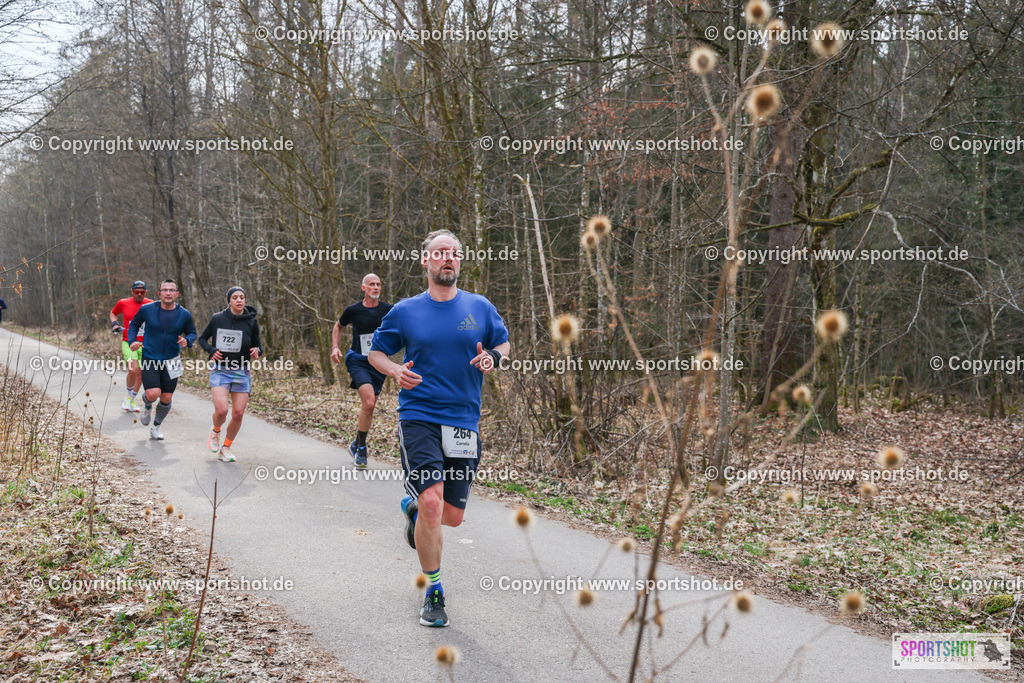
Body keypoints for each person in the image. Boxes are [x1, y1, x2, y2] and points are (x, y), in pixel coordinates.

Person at [369, 229, 510, 628]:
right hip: (419, 417)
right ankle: (433, 590)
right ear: (426, 261)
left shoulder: (479, 307)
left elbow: (503, 345)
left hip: (464, 419)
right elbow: (377, 352)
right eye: (440, 253)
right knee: (433, 503)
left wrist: (493, 361)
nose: (448, 259)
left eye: (454, 254)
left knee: (449, 517)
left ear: (460, 262)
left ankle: (412, 509)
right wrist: (395, 369)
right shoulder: (405, 311)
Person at [331, 273, 393, 468]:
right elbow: (338, 326)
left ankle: (356, 443)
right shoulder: (353, 310)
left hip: (379, 362)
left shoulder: (389, 310)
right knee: (368, 402)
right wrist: (335, 347)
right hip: (357, 359)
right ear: (363, 288)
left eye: (378, 284)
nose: (376, 287)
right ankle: (363, 449)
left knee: (371, 406)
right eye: (372, 284)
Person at [126, 279, 197, 440]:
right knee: (153, 393)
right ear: (159, 293)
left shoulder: (184, 314)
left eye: (172, 290)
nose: (168, 293)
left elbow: (192, 332)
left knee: (166, 397)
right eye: (165, 290)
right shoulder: (147, 309)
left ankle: (156, 427)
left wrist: (188, 341)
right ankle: (147, 405)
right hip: (150, 357)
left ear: (177, 294)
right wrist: (132, 341)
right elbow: (133, 325)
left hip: (172, 360)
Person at [198, 287, 261, 462]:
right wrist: (211, 350)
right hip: (221, 369)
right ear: (229, 301)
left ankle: (226, 447)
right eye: (235, 297)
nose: (239, 300)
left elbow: (257, 345)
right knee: (222, 410)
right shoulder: (218, 318)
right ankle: (215, 431)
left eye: (242, 297)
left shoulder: (251, 321)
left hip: (241, 370)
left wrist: (257, 350)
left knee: (239, 413)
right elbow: (202, 338)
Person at [110, 281, 153, 412]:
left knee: (141, 373)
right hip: (128, 341)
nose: (139, 295)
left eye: (142, 292)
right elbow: (113, 313)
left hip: (145, 343)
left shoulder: (151, 304)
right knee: (133, 370)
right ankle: (128, 397)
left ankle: (131, 400)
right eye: (136, 292)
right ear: (131, 291)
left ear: (146, 292)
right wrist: (115, 324)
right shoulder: (123, 303)